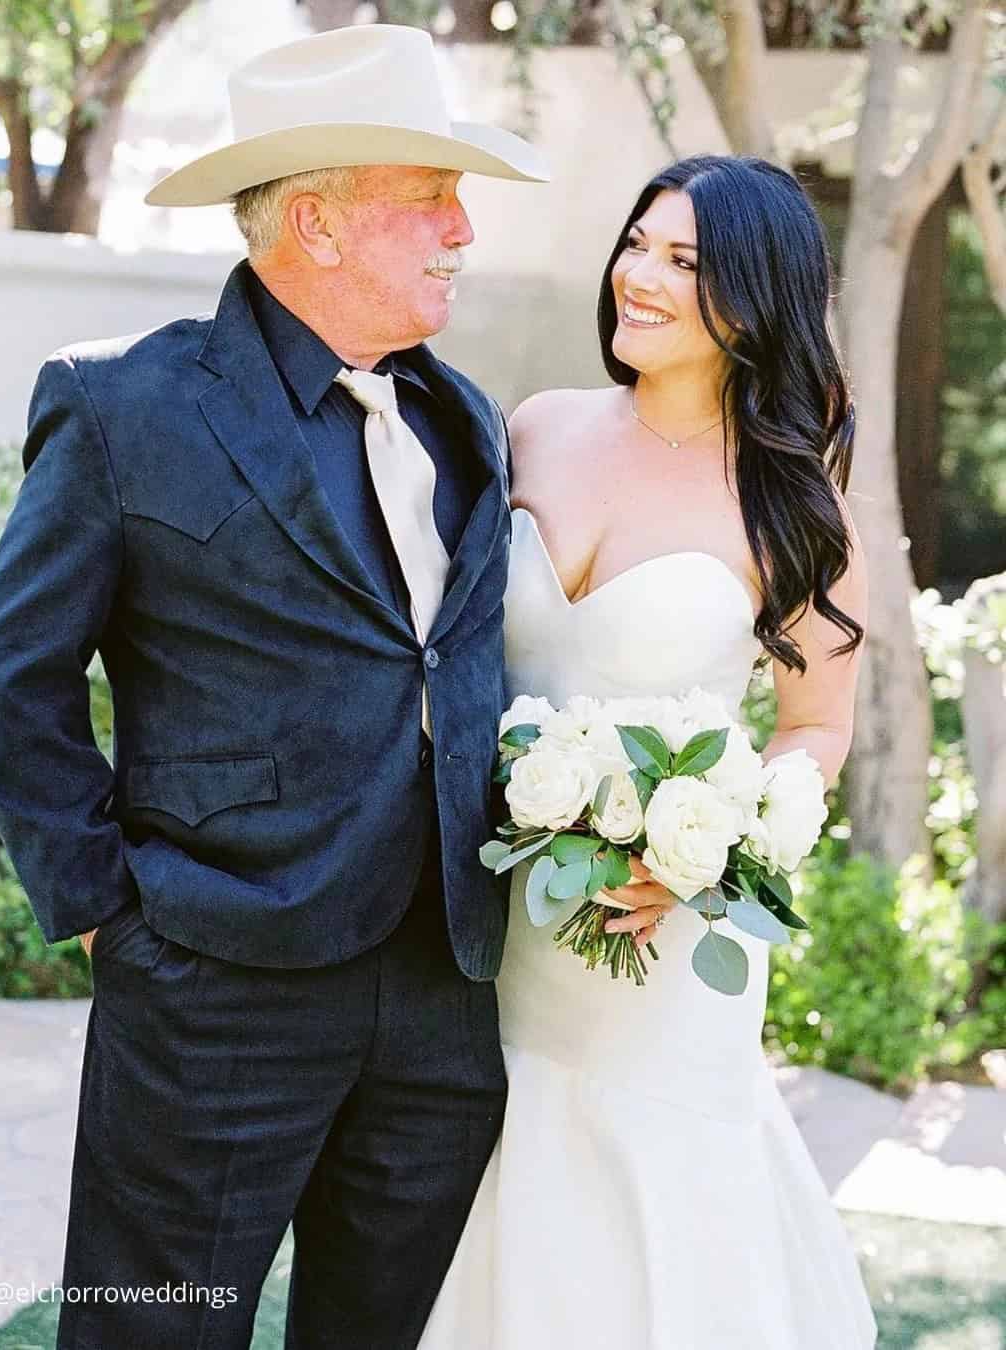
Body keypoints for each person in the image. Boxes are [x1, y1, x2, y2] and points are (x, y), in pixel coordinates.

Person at [0, 24, 639, 1350]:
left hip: (441, 1007)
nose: (460, 228)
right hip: (214, 986)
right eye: (428, 195)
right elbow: (10, 671)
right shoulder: (122, 408)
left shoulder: (465, 426)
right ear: (316, 223)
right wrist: (109, 914)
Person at [419, 155, 877, 1348]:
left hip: (663, 939)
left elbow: (815, 725)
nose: (641, 276)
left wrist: (707, 864)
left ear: (753, 296)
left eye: (684, 260)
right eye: (637, 243)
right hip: (494, 917)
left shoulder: (793, 509)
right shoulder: (535, 428)